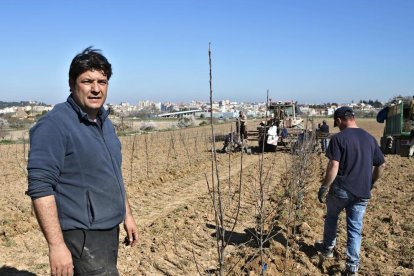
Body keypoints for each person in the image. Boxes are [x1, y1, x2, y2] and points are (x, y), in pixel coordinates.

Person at [27, 47, 138, 276]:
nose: (96, 89)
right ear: (71, 83)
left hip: (108, 227)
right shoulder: (54, 125)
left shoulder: (104, 122)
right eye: (87, 81)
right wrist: (57, 246)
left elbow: (112, 174)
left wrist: (126, 214)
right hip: (82, 234)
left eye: (102, 81)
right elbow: (40, 187)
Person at [316, 106, 385, 275]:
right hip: (362, 191)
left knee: (332, 217)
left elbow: (334, 165)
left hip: (342, 189)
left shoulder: (339, 139)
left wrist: (324, 187)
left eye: (337, 123)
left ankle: (328, 249)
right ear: (353, 117)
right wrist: (371, 181)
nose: (337, 126)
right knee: (355, 228)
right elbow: (381, 164)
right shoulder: (370, 139)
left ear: (340, 120)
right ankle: (352, 267)